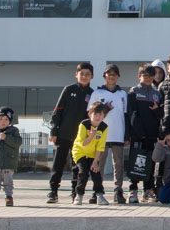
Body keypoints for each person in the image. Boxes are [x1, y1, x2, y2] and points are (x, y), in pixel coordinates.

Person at [47, 62, 94, 204]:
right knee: (58, 165)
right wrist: (54, 130)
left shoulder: (92, 94)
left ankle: (75, 193)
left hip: (80, 138)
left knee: (78, 167)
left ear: (91, 76)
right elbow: (58, 111)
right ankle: (53, 191)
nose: (84, 76)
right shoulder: (69, 90)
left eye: (87, 74)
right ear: (76, 74)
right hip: (63, 134)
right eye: (82, 74)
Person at [89, 64, 129, 204]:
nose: (111, 76)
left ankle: (118, 191)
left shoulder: (123, 94)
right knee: (98, 164)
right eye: (108, 73)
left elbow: (126, 115)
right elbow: (91, 114)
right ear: (104, 76)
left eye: (114, 74)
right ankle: (97, 191)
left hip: (118, 133)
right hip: (101, 134)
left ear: (118, 76)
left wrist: (126, 135)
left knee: (118, 164)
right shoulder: (97, 93)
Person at [127, 63, 162, 203]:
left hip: (152, 135)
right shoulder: (134, 91)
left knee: (150, 163)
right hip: (138, 135)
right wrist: (140, 133)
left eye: (151, 76)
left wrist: (157, 111)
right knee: (136, 162)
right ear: (139, 76)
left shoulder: (157, 93)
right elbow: (132, 114)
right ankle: (133, 190)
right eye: (145, 76)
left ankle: (147, 190)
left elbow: (160, 115)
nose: (148, 79)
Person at [71, 102, 110, 205]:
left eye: (100, 114)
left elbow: (100, 147)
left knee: (96, 172)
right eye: (95, 114)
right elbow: (83, 143)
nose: (98, 117)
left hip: (93, 154)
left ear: (104, 116)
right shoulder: (84, 124)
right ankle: (78, 196)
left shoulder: (104, 127)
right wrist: (92, 135)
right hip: (80, 152)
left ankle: (100, 195)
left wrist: (95, 162)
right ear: (90, 114)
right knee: (83, 172)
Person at [152, 129, 170, 204]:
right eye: (168, 140)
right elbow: (156, 158)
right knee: (163, 199)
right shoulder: (165, 149)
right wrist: (159, 146)